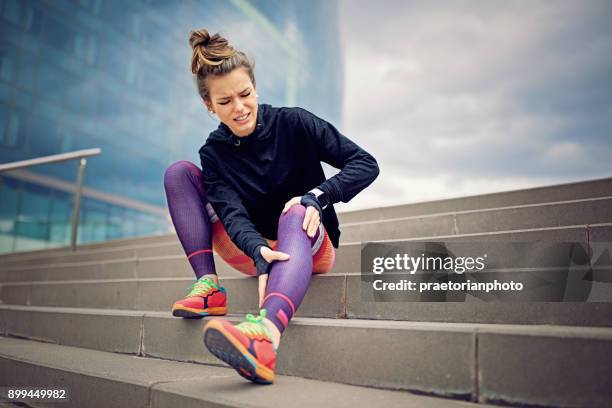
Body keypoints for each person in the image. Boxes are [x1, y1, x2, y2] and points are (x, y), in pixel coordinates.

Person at [163, 29, 379, 384]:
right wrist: (256, 249)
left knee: (294, 210)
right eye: (225, 102)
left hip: (306, 241)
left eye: (245, 94)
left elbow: (365, 163)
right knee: (179, 174)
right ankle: (208, 287)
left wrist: (318, 196)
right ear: (209, 106)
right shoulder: (213, 152)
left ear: (256, 88)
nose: (239, 108)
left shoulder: (294, 123)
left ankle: (265, 335)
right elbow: (229, 211)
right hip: (253, 249)